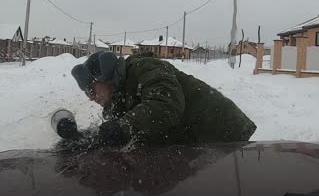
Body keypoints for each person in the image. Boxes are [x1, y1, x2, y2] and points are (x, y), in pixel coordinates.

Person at [59, 51, 256, 147]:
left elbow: (166, 106)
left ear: (107, 78)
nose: (91, 98)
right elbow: (115, 129)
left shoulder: (146, 68)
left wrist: (123, 127)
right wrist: (83, 138)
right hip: (196, 141)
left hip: (222, 132)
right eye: (87, 94)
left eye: (92, 90)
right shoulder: (118, 97)